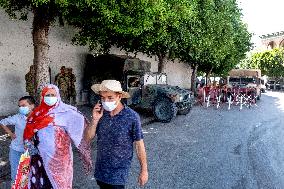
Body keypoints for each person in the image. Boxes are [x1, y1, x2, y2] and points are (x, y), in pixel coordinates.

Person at [23, 84, 92, 189]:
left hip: (59, 160)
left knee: (59, 183)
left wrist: (94, 121)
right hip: (39, 157)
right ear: (42, 96)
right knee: (42, 183)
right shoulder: (37, 113)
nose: (50, 97)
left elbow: (82, 127)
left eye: (53, 95)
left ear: (58, 96)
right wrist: (29, 144)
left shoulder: (67, 112)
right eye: (47, 95)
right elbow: (28, 131)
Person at [85, 80, 148, 189]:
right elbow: (87, 138)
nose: (105, 101)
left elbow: (139, 145)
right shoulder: (100, 113)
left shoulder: (132, 117)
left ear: (119, 97)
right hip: (101, 170)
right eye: (102, 98)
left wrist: (144, 170)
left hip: (118, 174)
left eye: (110, 97)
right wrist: (95, 120)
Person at [0, 96, 36, 184]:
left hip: (30, 151)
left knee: (29, 175)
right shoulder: (18, 117)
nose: (21, 108)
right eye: (19, 106)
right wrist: (10, 133)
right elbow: (2, 122)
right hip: (15, 150)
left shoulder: (38, 118)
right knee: (16, 175)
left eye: (23, 105)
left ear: (32, 106)